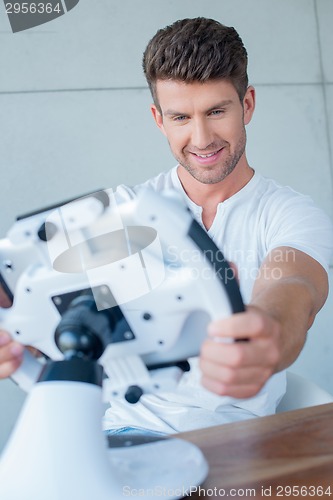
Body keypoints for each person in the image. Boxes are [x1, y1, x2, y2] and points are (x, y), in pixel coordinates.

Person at [0, 17, 332, 434]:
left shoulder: (290, 214)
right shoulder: (118, 211)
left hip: (235, 441)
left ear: (246, 104)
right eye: (180, 117)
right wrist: (20, 336)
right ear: (158, 118)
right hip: (122, 434)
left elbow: (294, 290)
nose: (202, 137)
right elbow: (25, 279)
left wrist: (266, 334)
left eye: (216, 111)